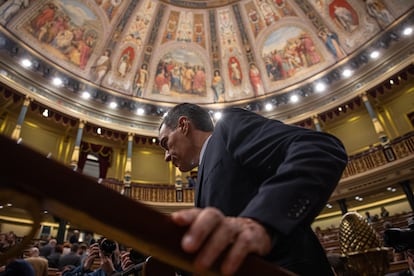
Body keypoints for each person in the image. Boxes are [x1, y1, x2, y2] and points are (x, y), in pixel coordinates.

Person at [158, 103, 348, 275]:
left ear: (184, 125)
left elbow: (319, 148)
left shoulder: (227, 127)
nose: (166, 156)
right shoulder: (201, 173)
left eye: (166, 143)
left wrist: (262, 222)